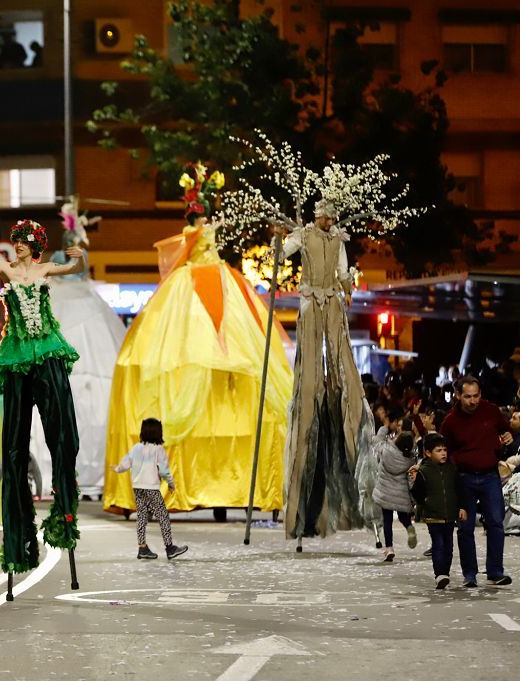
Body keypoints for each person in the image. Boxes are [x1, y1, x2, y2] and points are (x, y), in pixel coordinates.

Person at [104, 165, 292, 518]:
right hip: (203, 281)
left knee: (227, 349)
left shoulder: (199, 234)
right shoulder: (200, 234)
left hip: (204, 281)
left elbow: (180, 255)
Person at [0, 219, 84, 576]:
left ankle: (64, 516)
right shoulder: (5, 269)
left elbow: (70, 266)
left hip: (46, 349)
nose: (17, 246)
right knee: (13, 442)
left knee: (61, 434)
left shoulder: (45, 267)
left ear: (34, 246)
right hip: (16, 354)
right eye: (15, 242)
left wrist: (79, 256)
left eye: (22, 242)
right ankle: (19, 540)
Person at [278, 199, 373, 540]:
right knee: (309, 371)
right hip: (310, 300)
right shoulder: (304, 235)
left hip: (330, 300)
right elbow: (285, 252)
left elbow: (344, 271)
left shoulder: (338, 239)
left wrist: (348, 286)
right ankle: (301, 517)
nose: (328, 220)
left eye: (331, 216)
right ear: (317, 216)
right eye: (324, 215)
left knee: (338, 357)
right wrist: (278, 244)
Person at [29, 201, 125, 498]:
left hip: (80, 303)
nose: (73, 243)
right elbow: (57, 272)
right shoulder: (59, 256)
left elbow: (80, 271)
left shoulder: (78, 256)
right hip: (63, 304)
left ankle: (84, 468)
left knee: (92, 372)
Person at [440, 376, 513, 586]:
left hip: (490, 475)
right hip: (464, 478)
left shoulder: (491, 411)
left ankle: (495, 571)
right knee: (465, 528)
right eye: (468, 397)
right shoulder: (451, 421)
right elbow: (446, 451)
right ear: (458, 396)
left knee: (496, 524)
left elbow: (505, 430)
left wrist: (507, 435)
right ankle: (469, 574)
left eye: (476, 396)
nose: (473, 401)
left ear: (481, 394)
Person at [113, 418, 187, 560]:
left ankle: (142, 547)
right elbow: (164, 471)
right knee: (162, 516)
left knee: (141, 516)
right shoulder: (158, 449)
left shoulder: (136, 448)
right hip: (151, 488)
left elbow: (125, 463)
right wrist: (171, 483)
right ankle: (170, 547)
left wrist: (117, 469)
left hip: (138, 487)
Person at [410, 433, 466, 589]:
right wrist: (424, 501)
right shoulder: (424, 471)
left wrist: (461, 507)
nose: (443, 453)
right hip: (433, 515)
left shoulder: (451, 469)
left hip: (449, 515)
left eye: (445, 450)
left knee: (448, 545)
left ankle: (445, 573)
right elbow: (416, 491)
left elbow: (459, 489)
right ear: (428, 453)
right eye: (438, 450)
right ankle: (439, 573)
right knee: (438, 544)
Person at [372, 427, 418, 562]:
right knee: (404, 517)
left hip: (386, 493)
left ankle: (389, 548)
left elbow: (376, 442)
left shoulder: (386, 451)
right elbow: (410, 481)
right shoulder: (409, 461)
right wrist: (413, 499)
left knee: (387, 520)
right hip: (401, 494)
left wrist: (383, 429)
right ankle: (409, 527)